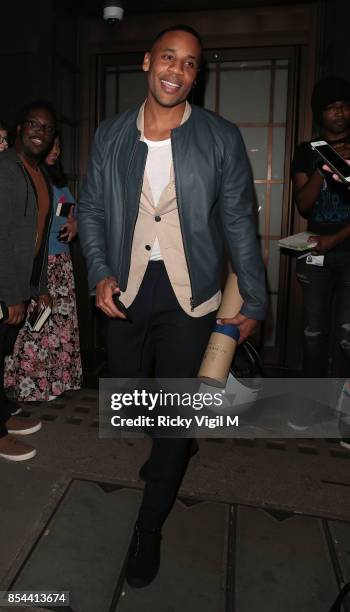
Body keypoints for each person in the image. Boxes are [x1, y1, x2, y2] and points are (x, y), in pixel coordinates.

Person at [78, 25, 267, 588]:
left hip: (192, 291)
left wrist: (254, 297)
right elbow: (90, 209)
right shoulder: (110, 135)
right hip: (129, 288)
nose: (176, 70)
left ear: (195, 75)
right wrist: (99, 271)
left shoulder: (220, 137)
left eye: (189, 64)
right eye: (168, 58)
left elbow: (238, 221)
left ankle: (150, 525)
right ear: (147, 62)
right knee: (135, 398)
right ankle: (169, 444)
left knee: (175, 415)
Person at [291, 77, 350, 439]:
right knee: (314, 335)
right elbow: (303, 204)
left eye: (344, 105)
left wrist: (335, 239)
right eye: (331, 107)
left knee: (347, 337)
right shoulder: (307, 150)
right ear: (320, 114)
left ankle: (343, 417)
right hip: (315, 253)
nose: (339, 112)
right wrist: (323, 167)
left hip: (345, 251)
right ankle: (312, 408)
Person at [5, 135, 83, 401]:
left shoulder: (57, 180)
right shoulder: (30, 177)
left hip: (61, 262)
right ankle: (26, 386)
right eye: (52, 144)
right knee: (35, 328)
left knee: (57, 329)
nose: (56, 150)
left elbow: (71, 214)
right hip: (40, 263)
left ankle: (54, 385)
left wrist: (75, 225)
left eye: (60, 145)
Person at [0, 100, 55, 461]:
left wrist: (40, 287)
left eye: (46, 128)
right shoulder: (5, 169)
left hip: (24, 285)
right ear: (20, 128)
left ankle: (2, 415)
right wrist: (11, 295)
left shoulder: (38, 173)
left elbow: (36, 237)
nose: (39, 131)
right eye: (33, 124)